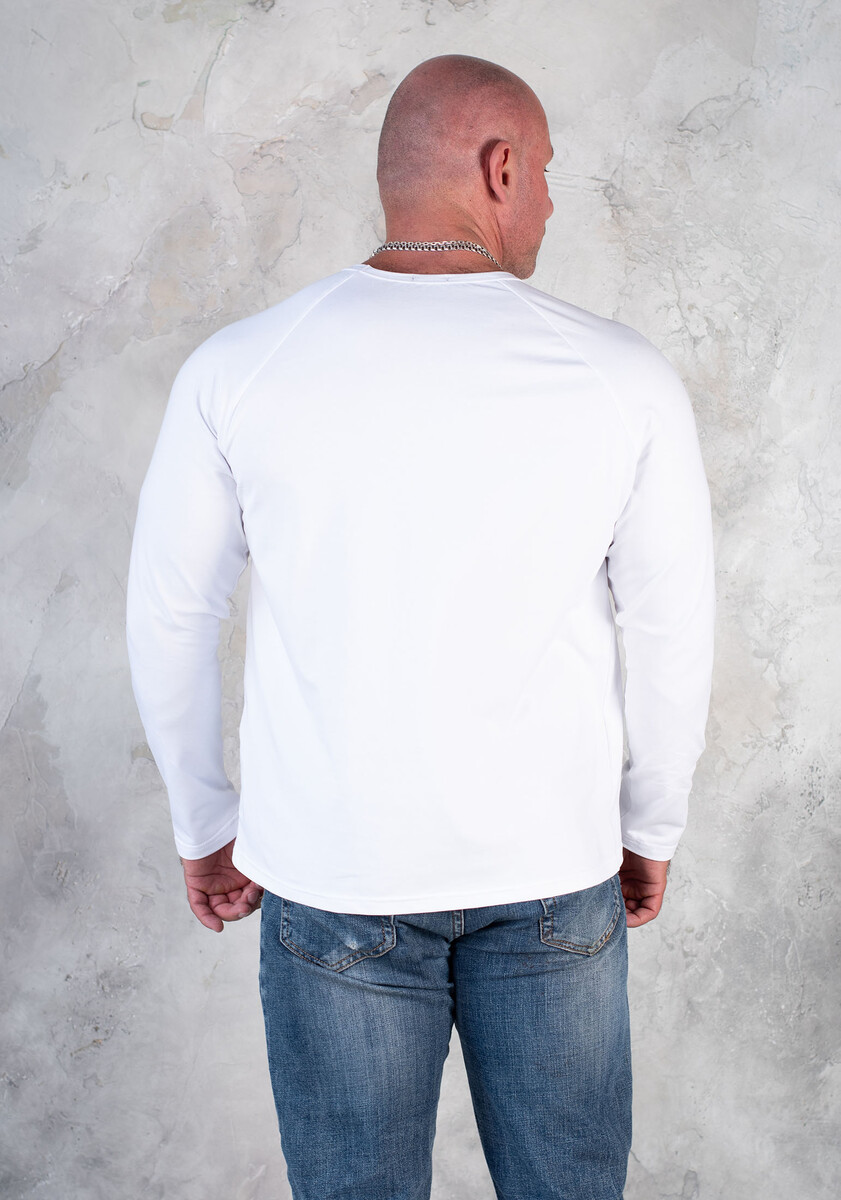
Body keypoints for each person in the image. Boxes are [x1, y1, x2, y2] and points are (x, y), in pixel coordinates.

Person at [126, 53, 715, 1200]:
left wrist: (205, 822)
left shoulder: (240, 370)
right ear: (500, 169)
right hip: (552, 871)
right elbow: (670, 628)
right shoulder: (620, 378)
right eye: (546, 171)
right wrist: (651, 825)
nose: (550, 201)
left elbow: (171, 616)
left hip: (334, 875)